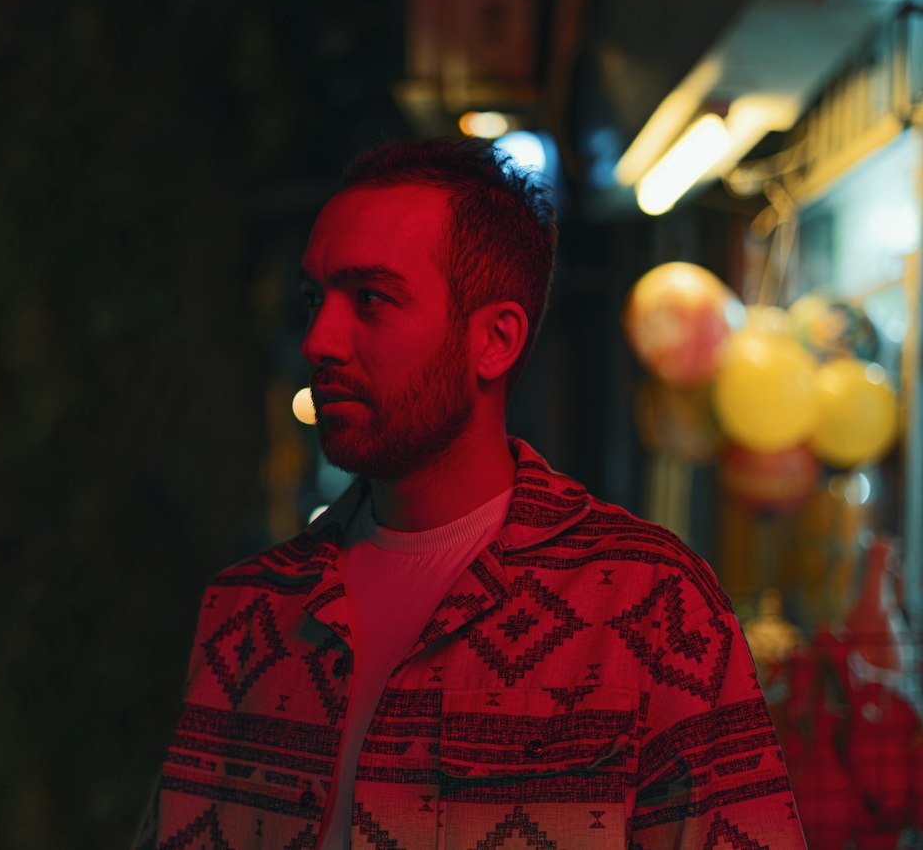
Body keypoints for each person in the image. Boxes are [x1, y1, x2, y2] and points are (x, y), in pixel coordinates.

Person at [134, 137, 806, 850]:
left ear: (495, 340)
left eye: (371, 298)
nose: (320, 339)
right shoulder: (250, 612)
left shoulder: (651, 608)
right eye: (313, 298)